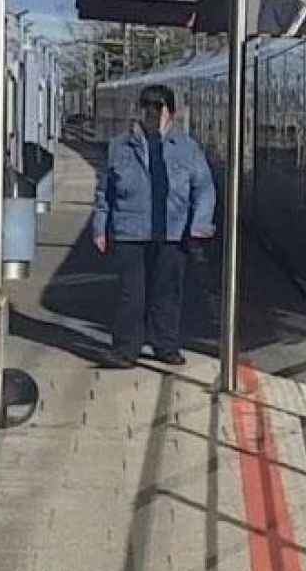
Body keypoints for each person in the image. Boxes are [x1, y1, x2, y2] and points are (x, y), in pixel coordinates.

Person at [91, 84, 216, 368]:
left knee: (167, 293)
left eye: (158, 108)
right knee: (131, 295)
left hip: (172, 232)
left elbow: (204, 188)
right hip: (129, 231)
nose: (151, 113)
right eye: (146, 107)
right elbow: (104, 191)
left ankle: (166, 345)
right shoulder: (119, 147)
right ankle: (125, 350)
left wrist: (199, 226)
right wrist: (100, 227)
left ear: (171, 113)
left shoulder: (187, 148)